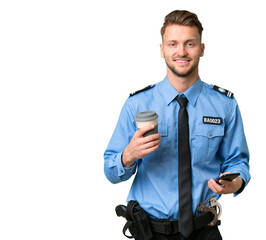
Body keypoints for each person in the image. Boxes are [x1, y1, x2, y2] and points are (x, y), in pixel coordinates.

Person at [104, 10, 250, 240]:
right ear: (162, 50)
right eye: (173, 44)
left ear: (202, 49)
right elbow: (111, 171)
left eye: (189, 44)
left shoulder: (225, 105)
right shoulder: (136, 104)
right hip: (150, 232)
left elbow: (238, 161)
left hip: (204, 230)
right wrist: (128, 155)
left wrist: (235, 183)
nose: (181, 52)